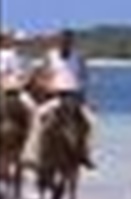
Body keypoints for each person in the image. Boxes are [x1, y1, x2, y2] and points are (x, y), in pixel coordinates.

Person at [25, 29, 97, 168]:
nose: (65, 44)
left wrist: (88, 96)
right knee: (37, 117)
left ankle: (86, 153)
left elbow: (84, 77)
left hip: (75, 97)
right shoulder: (50, 56)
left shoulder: (78, 57)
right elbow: (43, 76)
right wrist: (47, 85)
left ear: (72, 42)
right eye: (63, 41)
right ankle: (32, 154)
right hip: (56, 96)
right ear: (58, 42)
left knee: (92, 121)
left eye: (68, 42)